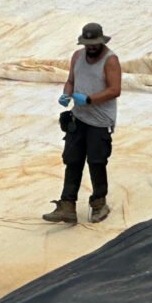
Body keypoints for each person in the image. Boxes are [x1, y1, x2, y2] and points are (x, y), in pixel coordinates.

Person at [42, 23, 121, 224]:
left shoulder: (110, 61)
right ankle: (67, 205)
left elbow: (114, 90)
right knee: (72, 161)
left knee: (96, 162)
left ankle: (99, 203)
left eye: (95, 43)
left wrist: (88, 99)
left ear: (102, 41)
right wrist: (66, 94)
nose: (91, 47)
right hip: (79, 118)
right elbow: (70, 80)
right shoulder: (77, 56)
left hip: (100, 122)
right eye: (88, 44)